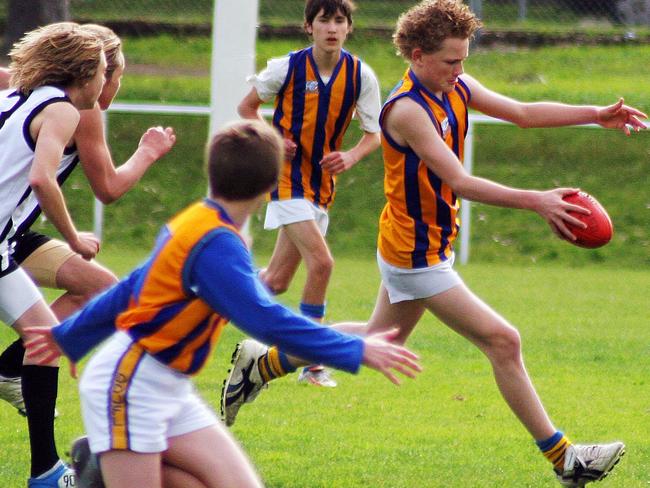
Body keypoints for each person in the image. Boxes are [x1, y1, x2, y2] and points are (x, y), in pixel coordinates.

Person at [221, 1, 648, 486]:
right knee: (504, 341)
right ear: (418, 55)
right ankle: (565, 458)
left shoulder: (456, 86)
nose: (459, 70)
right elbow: (460, 182)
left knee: (384, 339)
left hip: (426, 242)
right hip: (414, 253)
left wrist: (596, 113)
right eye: (451, 61)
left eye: (464, 60)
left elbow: (524, 113)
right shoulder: (405, 111)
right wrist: (538, 201)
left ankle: (265, 360)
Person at [24, 119, 421, 488]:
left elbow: (132, 288)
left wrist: (70, 336)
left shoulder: (201, 222)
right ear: (271, 188)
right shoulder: (215, 241)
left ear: (212, 172)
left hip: (167, 385)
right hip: (131, 385)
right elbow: (266, 322)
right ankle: (103, 471)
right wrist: (355, 348)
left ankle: (99, 469)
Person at [0, 24, 176, 417]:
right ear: (96, 73)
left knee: (99, 289)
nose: (116, 86)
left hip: (15, 232)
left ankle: (11, 368)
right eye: (118, 76)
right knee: (99, 296)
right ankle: (15, 369)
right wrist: (148, 152)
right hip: (8, 233)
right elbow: (108, 188)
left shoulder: (30, 87)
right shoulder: (81, 111)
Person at [238, 0, 381, 387]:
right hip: (285, 180)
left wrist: (350, 156)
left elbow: (374, 134)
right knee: (323, 263)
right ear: (309, 26)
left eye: (339, 21)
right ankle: (312, 363)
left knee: (276, 280)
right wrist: (272, 137)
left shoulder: (361, 75)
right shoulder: (287, 67)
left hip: (320, 185)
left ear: (349, 28)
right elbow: (247, 107)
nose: (332, 28)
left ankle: (208, 293)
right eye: (324, 20)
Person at [0, 21, 107, 487]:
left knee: (43, 339)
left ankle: (47, 471)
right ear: (83, 74)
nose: (105, 83)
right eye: (103, 71)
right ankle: (46, 473)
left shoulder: (14, 98)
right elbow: (44, 178)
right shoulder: (62, 110)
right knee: (44, 340)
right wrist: (75, 239)